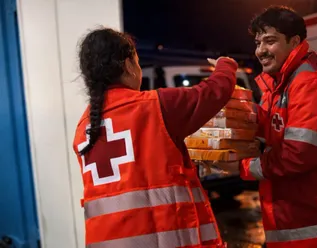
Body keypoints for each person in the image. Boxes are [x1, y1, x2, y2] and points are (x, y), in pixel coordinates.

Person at [216, 5, 317, 247]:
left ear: (294, 41)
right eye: (258, 43)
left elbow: (300, 153)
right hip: (302, 221)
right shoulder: (282, 81)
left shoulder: (309, 82)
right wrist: (239, 112)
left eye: (270, 41)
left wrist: (242, 167)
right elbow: (274, 128)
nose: (261, 51)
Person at [72, 28, 238, 248]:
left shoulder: (83, 128)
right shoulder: (156, 106)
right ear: (128, 65)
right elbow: (213, 92)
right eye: (137, 61)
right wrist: (225, 65)